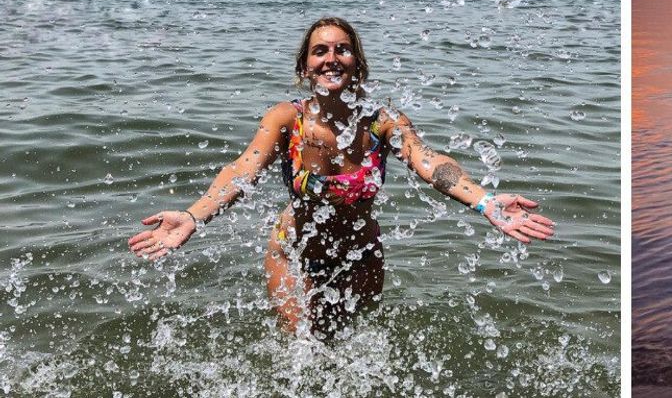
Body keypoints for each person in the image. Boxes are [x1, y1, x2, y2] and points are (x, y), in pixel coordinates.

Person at [128, 17, 555, 338]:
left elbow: (427, 160)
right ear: (306, 66)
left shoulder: (382, 121)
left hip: (361, 257)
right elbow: (242, 170)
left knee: (347, 351)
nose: (332, 58)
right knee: (299, 351)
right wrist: (193, 215)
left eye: (343, 50)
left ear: (358, 65)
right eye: (320, 51)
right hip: (293, 252)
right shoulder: (286, 119)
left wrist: (485, 201)